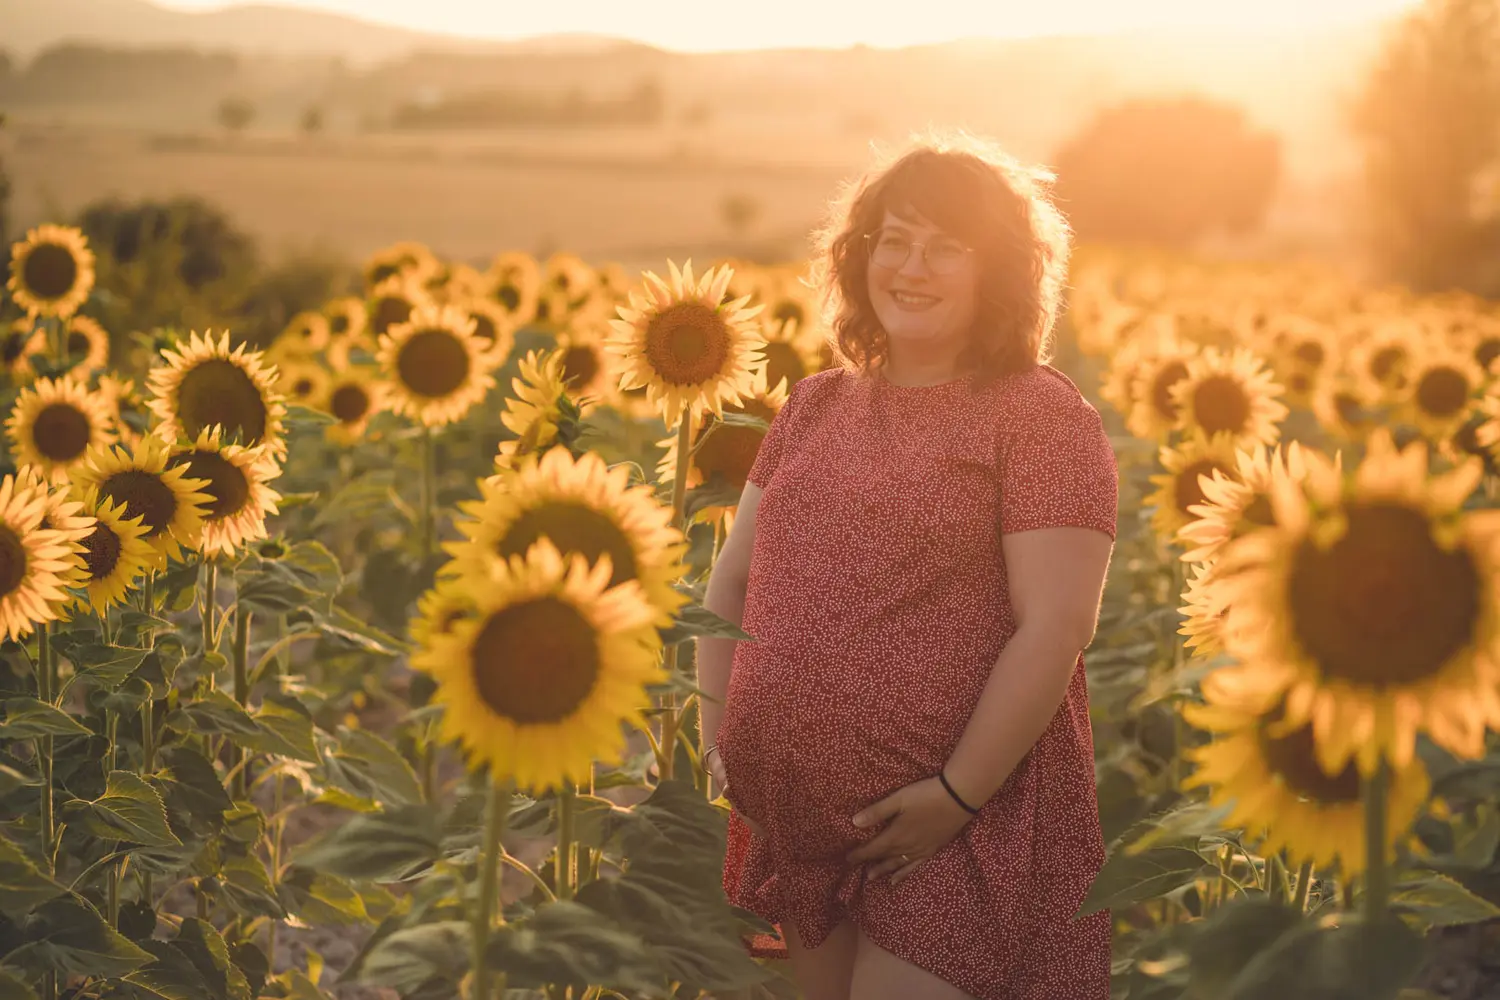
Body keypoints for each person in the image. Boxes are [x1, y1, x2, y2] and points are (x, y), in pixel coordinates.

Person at [694, 131, 1119, 1000]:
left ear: (998, 270)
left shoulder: (1037, 416)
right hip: (801, 825)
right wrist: (719, 736)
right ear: (860, 257)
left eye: (947, 246)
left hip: (961, 825)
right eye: (894, 239)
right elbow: (731, 585)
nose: (911, 267)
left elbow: (1056, 627)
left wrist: (956, 795)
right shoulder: (813, 405)